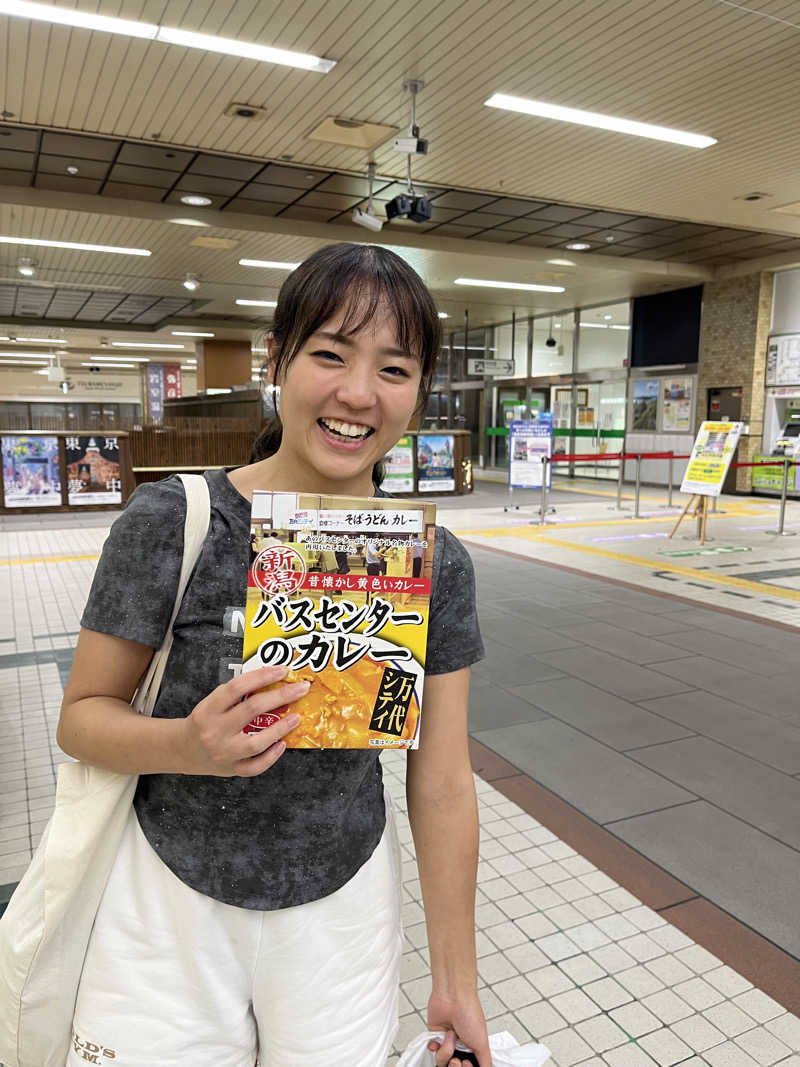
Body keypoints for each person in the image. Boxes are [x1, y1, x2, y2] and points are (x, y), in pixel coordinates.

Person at [57, 243, 488, 1067]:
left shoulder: (432, 561)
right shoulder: (173, 522)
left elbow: (440, 779)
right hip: (166, 907)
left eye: (394, 369)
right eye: (329, 354)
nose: (358, 394)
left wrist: (456, 979)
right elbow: (82, 720)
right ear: (277, 359)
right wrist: (185, 744)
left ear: (420, 390)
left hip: (342, 915)